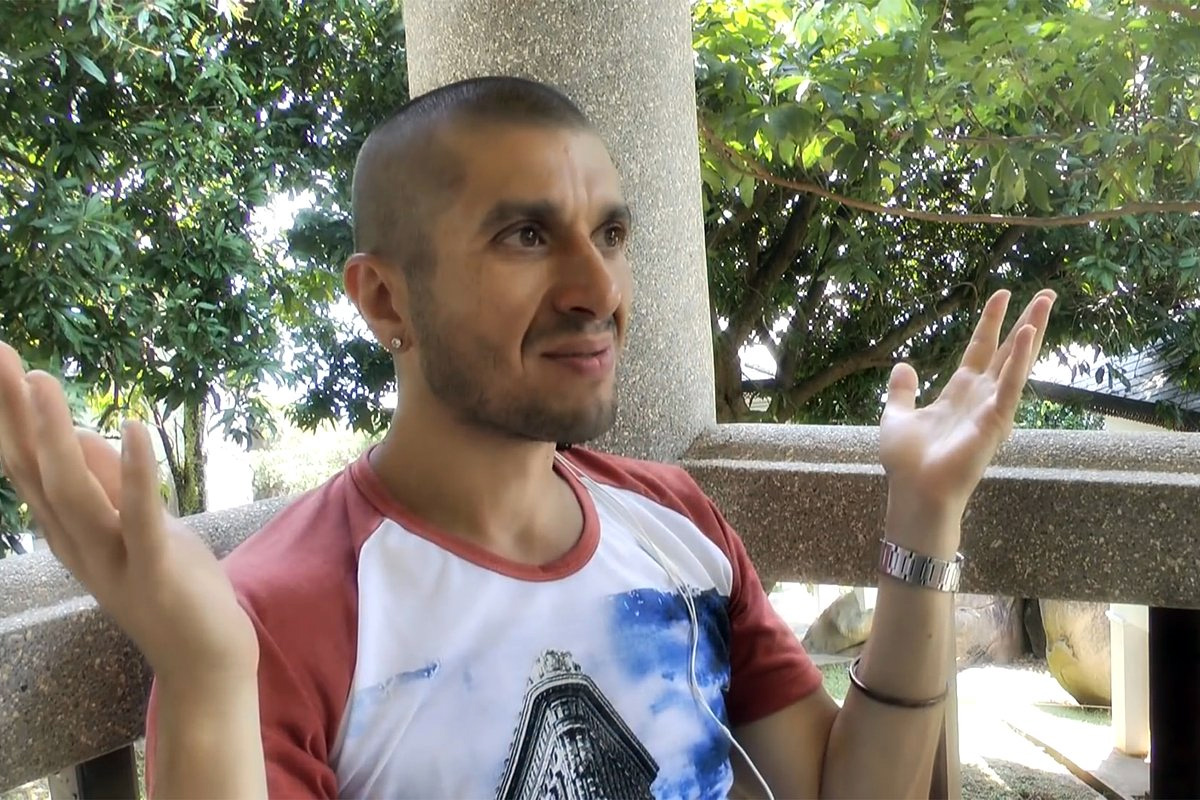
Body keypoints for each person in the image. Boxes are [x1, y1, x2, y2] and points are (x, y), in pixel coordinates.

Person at [0, 76, 1055, 799]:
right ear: (383, 298)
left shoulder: (676, 523)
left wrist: (925, 512)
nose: (598, 289)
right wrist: (202, 674)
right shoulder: (285, 615)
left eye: (611, 233)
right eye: (525, 234)